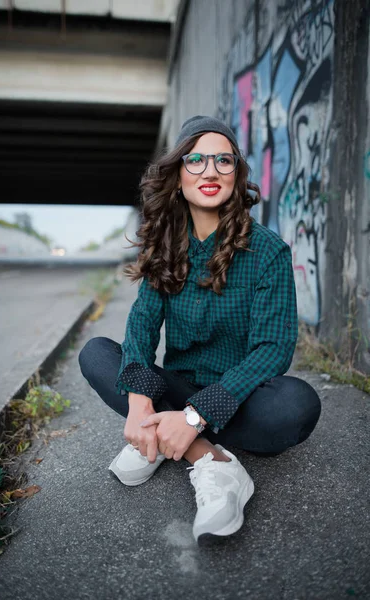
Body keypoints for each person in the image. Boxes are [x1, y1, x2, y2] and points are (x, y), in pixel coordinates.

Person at [78, 115, 321, 542]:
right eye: (196, 160)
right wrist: (138, 403)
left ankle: (168, 436)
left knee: (294, 406)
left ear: (236, 174)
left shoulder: (268, 250)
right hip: (179, 387)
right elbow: (140, 328)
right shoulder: (168, 245)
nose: (210, 170)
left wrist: (196, 415)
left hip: (237, 398)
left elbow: (273, 349)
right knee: (97, 353)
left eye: (223, 161)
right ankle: (208, 458)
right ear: (178, 175)